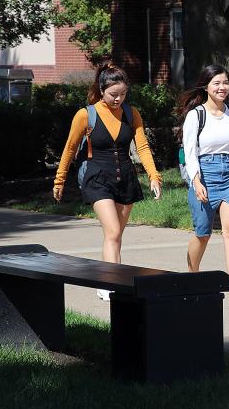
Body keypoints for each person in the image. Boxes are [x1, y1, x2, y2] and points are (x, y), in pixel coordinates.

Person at [53, 62, 162, 301]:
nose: (118, 99)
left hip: (125, 178)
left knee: (115, 236)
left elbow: (142, 147)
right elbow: (70, 148)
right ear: (101, 90)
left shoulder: (131, 114)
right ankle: (114, 283)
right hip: (97, 178)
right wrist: (59, 180)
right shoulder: (86, 115)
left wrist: (154, 176)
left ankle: (107, 279)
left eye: (123, 94)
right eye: (114, 94)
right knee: (112, 231)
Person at [179, 65, 229, 302]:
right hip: (204, 174)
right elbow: (190, 153)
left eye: (226, 83)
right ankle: (192, 276)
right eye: (216, 83)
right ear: (206, 86)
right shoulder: (196, 115)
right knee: (203, 233)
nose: (222, 87)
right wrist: (196, 181)